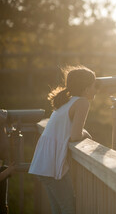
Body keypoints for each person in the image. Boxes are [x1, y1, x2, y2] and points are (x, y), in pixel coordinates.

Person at [28, 65, 97, 214]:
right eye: (93, 85)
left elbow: (69, 130)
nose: (95, 89)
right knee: (68, 207)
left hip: (44, 158)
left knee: (58, 208)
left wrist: (81, 131)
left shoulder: (67, 100)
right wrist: (87, 135)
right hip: (51, 161)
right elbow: (75, 136)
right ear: (85, 89)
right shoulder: (82, 102)